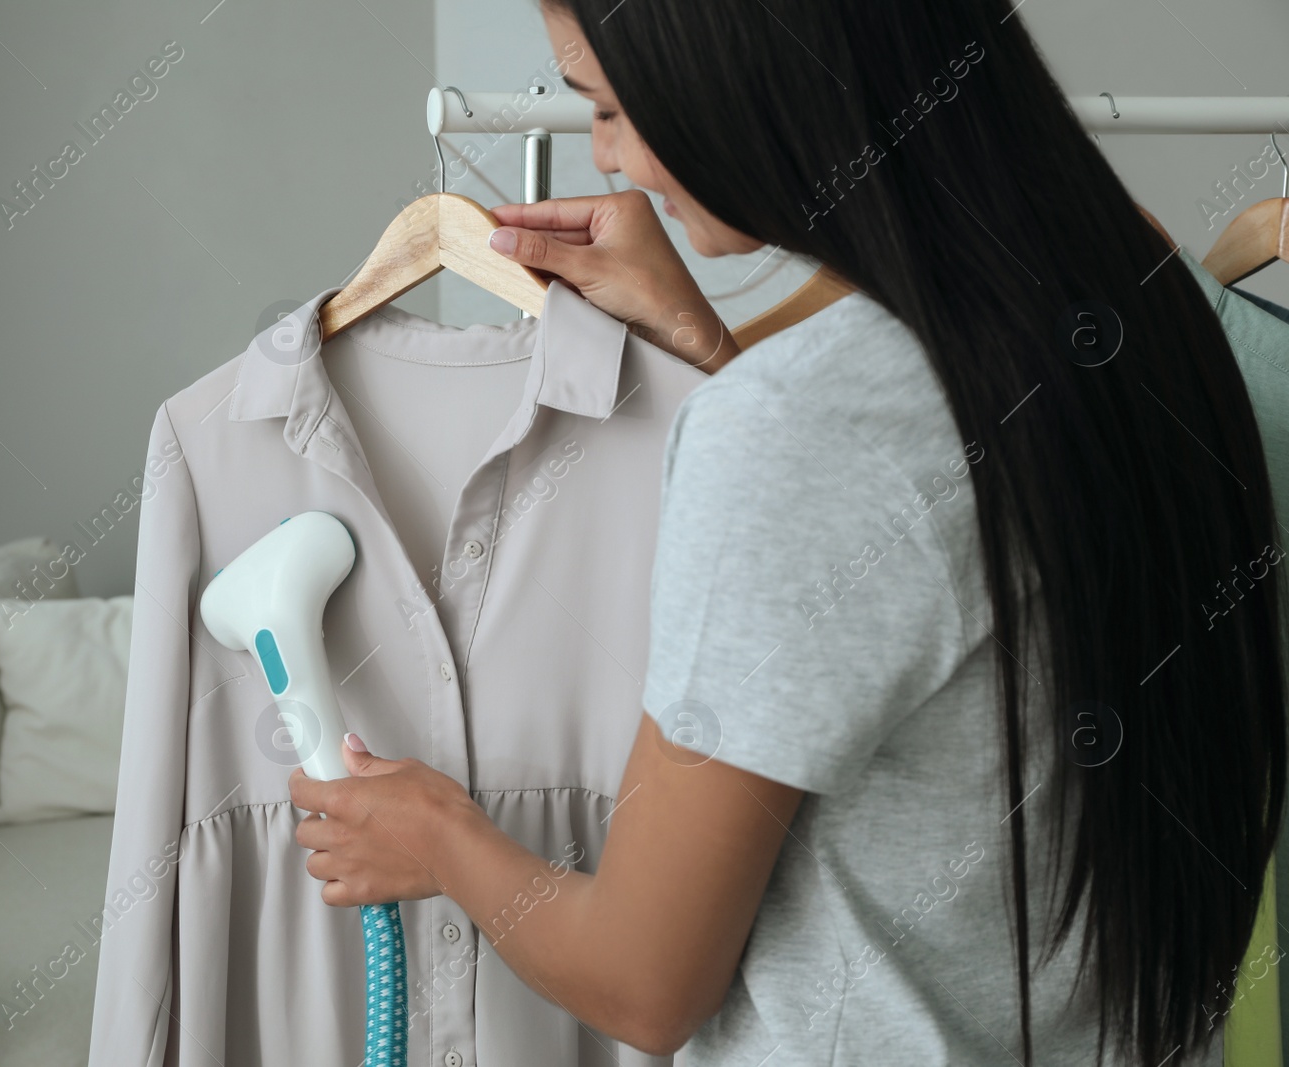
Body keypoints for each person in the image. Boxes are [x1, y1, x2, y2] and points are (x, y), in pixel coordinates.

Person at [289, 1, 1287, 1063]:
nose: (607, 154)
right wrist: (708, 352)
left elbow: (645, 978)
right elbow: (934, 570)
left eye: (614, 107)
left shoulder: (798, 426)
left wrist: (440, 839)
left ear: (739, 78)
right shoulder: (1153, 314)